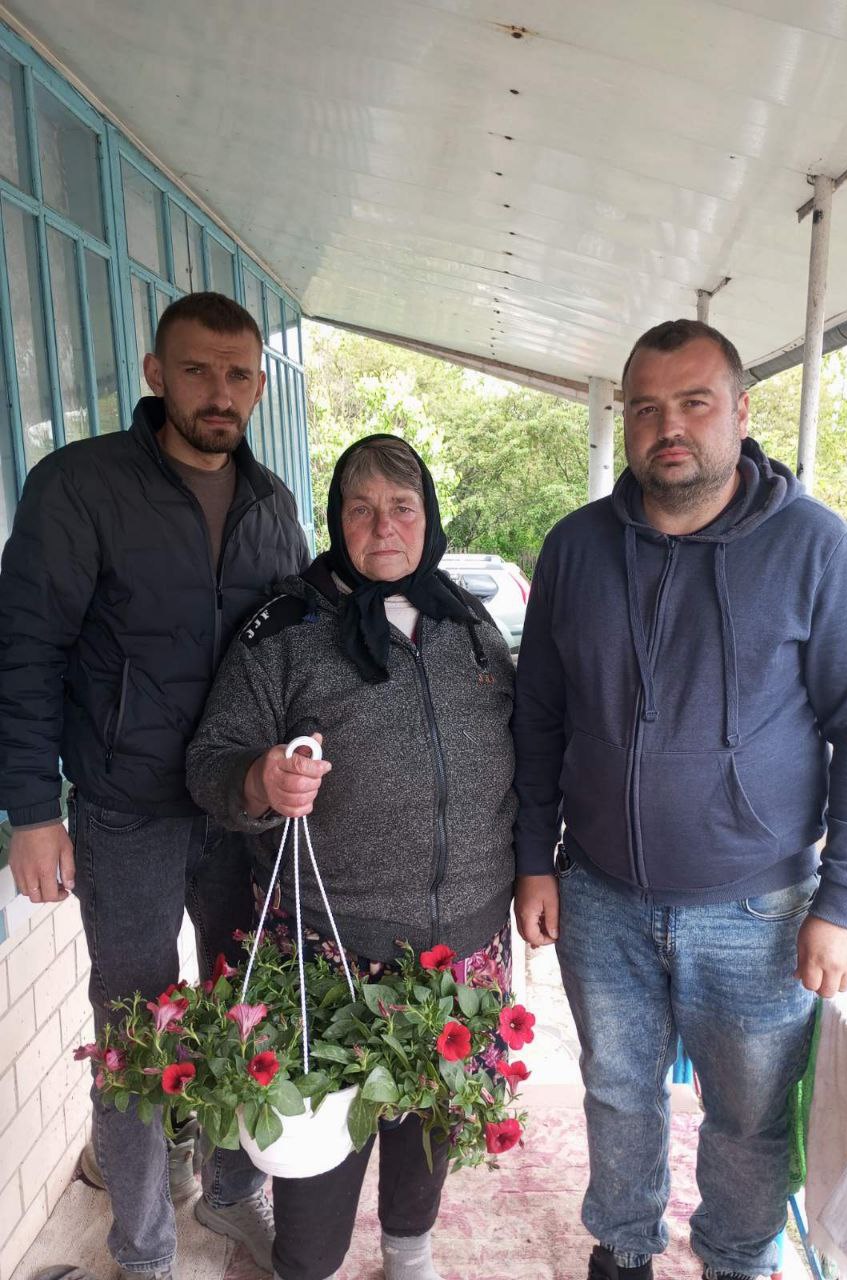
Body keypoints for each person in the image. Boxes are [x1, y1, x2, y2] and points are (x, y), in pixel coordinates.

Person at [512, 319, 847, 1280]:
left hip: (760, 907)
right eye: (647, 408)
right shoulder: (575, 548)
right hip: (601, 895)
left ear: (740, 411)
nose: (670, 427)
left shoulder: (817, 549)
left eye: (694, 403)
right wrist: (533, 859)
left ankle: (736, 1260)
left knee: (749, 1115)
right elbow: (539, 719)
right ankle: (624, 1248)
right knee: (617, 1092)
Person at [0, 292, 310, 1280]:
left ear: (257, 386)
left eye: (237, 374)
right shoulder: (79, 486)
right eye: (196, 370)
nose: (219, 392)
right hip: (123, 810)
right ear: (154, 373)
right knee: (136, 1031)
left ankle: (231, 1190)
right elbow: (25, 652)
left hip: (239, 812)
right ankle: (142, 1251)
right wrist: (32, 810)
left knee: (242, 1012)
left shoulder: (272, 506)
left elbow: (297, 654)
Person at [185, 433, 517, 1280]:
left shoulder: (468, 624)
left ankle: (409, 1250)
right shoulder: (287, 629)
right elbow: (210, 761)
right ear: (335, 520)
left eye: (402, 507)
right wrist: (260, 779)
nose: (383, 526)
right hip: (330, 946)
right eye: (360, 509)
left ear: (428, 516)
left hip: (463, 939)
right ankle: (309, 1266)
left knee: (428, 1122)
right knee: (317, 1150)